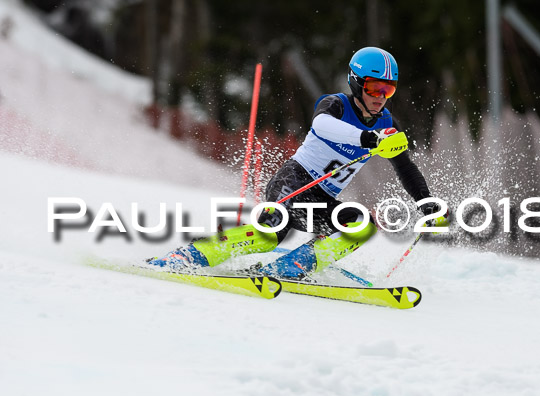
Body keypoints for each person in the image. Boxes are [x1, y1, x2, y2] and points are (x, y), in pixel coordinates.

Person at [148, 46, 445, 279]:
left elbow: (404, 166)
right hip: (294, 180)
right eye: (373, 88)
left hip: (322, 197)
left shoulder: (386, 123)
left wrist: (426, 203)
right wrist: (369, 139)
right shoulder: (335, 105)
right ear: (356, 83)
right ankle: (190, 256)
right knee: (271, 233)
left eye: (387, 90)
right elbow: (323, 126)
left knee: (361, 226)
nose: (380, 97)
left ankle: (291, 269)